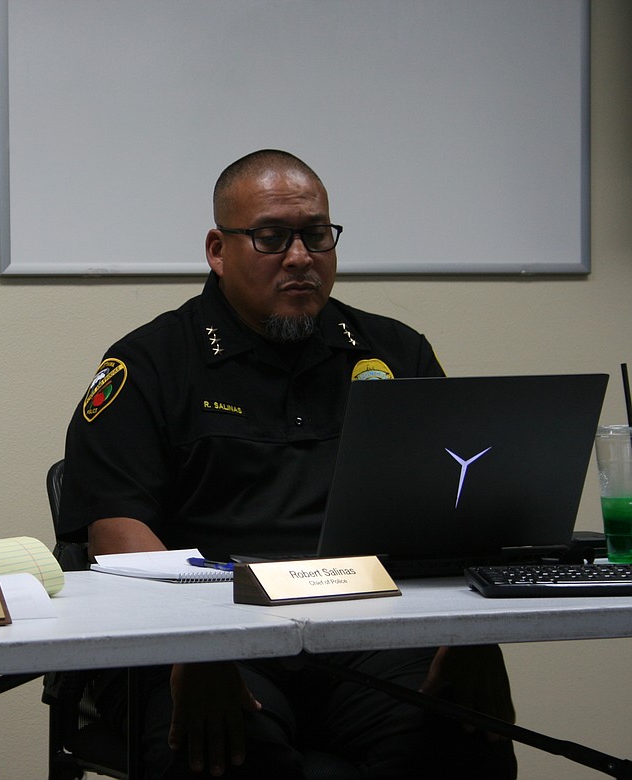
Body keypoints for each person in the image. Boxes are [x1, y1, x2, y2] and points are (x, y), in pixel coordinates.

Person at [59, 149, 517, 779]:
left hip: (367, 633)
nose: (300, 257)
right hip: (205, 638)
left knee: (462, 743)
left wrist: (470, 641)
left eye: (316, 235)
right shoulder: (150, 364)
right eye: (272, 237)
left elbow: (457, 515)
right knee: (230, 757)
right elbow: (118, 537)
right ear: (218, 250)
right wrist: (200, 644)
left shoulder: (394, 352)